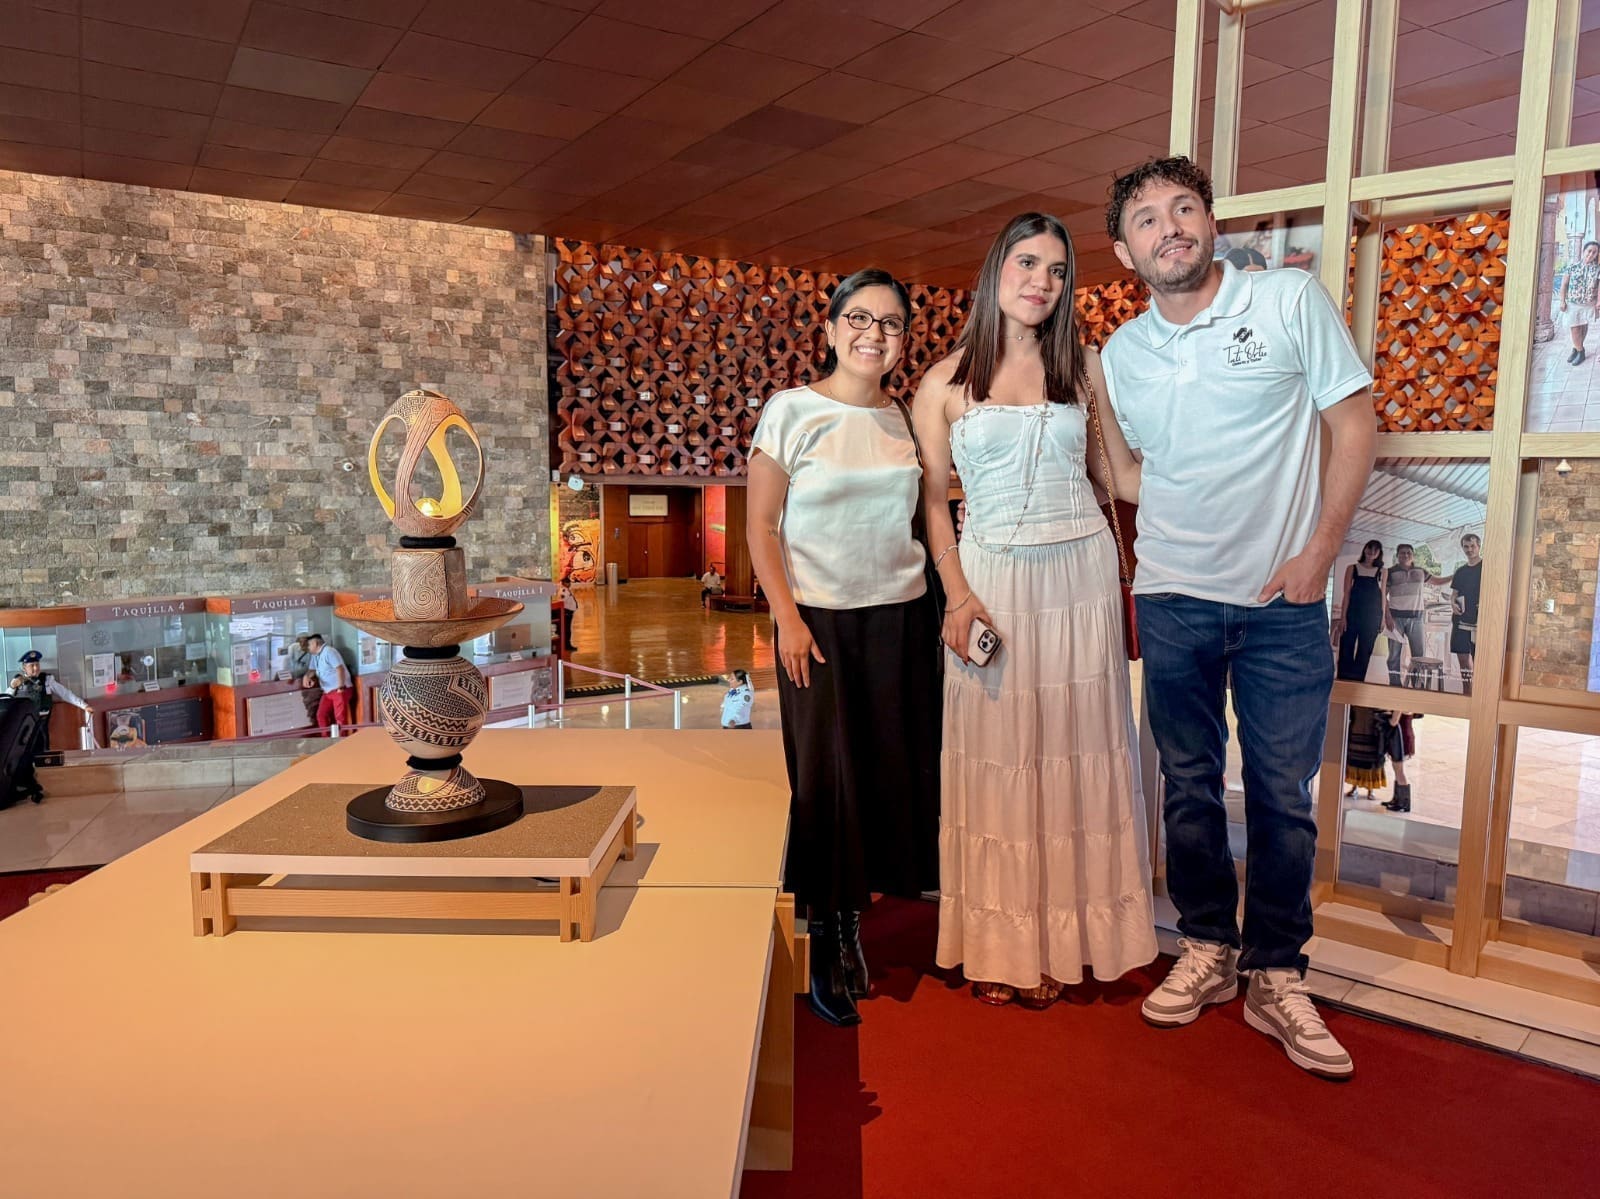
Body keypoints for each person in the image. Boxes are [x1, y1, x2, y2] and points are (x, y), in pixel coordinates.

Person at [1101, 156, 1375, 1080]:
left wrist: (1319, 555)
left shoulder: (1287, 301)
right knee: (1186, 785)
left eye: (1184, 208)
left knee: (1281, 796)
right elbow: (1133, 474)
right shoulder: (1123, 354)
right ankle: (1209, 947)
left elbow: (1355, 425)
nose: (1169, 227)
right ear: (1125, 251)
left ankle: (1277, 971)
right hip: (1171, 598)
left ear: (1210, 222)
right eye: (1147, 219)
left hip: (1279, 604)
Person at [912, 212, 1157, 1010]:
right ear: (996, 270)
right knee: (1000, 755)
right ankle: (1002, 943)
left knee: (1076, 751)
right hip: (990, 582)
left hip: (1080, 574)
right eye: (1027, 263)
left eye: (1056, 270)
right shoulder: (942, 383)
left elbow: (1120, 476)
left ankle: (1072, 939)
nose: (1040, 282)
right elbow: (933, 502)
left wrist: (1224, 477)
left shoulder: (1083, 366)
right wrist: (957, 594)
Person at [746, 267, 941, 1028]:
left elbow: (923, 518)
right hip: (818, 623)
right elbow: (761, 527)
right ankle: (825, 933)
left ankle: (855, 919)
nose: (874, 334)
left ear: (903, 339)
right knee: (827, 779)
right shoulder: (791, 410)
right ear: (830, 329)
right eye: (859, 318)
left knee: (886, 769)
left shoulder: (905, 419)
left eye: (890, 323)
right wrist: (787, 618)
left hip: (900, 616)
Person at [7, 649, 92, 755]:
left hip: (41, 724)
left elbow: (65, 693)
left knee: (43, 751)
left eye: (37, 664)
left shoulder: (47, 680)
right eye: (32, 665)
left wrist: (84, 705)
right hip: (24, 726)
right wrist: (12, 687)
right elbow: (6, 699)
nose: (36, 668)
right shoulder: (18, 681)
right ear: (24, 667)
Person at [1435, 533, 1483, 695]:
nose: (1469, 549)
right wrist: (1452, 603)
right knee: (1463, 661)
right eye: (1466, 547)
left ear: (1479, 546)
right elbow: (1454, 594)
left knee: (1480, 662)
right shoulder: (1460, 571)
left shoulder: (1487, 568)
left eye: (1472, 546)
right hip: (1461, 620)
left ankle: (1479, 695)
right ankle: (1466, 693)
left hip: (1480, 623)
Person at [1343, 707, 1413, 812]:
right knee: (1397, 769)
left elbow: (1403, 713)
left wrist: (1392, 720)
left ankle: (1403, 803)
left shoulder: (1393, 720)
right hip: (1393, 734)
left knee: (1399, 770)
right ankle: (1398, 800)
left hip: (1396, 735)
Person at [1334, 540, 1385, 682]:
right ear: (1364, 549)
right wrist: (1343, 617)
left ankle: (1357, 682)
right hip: (1352, 614)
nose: (1371, 552)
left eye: (1375, 550)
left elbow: (1383, 596)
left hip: (1372, 616)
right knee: (1346, 648)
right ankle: (1343, 682)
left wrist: (1382, 619)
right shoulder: (1352, 568)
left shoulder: (1382, 571)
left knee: (1365, 650)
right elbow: (1346, 594)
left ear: (1379, 553)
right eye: (1369, 548)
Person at [1384, 544, 1433, 687]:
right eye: (1402, 553)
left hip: (1416, 619)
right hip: (1395, 619)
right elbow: (1383, 596)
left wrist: (1456, 576)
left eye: (1408, 553)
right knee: (1393, 656)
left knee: (1419, 656)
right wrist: (1387, 616)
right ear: (1397, 555)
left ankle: (1416, 685)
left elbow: (1438, 581)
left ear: (1413, 555)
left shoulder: (1421, 571)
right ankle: (1395, 685)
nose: (1405, 555)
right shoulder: (1390, 572)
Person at [1559, 240, 1600, 366]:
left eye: (1594, 252)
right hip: (1573, 303)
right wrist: (1562, 301)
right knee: (1575, 327)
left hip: (1589, 303)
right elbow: (1564, 285)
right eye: (1589, 251)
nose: (1591, 254)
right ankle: (1581, 351)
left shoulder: (1597, 269)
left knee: (1583, 325)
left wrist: (1598, 302)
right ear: (1584, 251)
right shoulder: (1572, 266)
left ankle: (1576, 349)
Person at [300, 634, 352, 729]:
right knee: (321, 715)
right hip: (327, 691)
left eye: (309, 645)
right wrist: (306, 677)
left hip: (339, 689)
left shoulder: (329, 651)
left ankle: (341, 738)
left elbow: (340, 669)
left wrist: (340, 687)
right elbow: (312, 670)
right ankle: (325, 736)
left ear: (315, 643)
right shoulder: (315, 656)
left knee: (340, 719)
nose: (308, 648)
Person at [559, 579, 579, 653]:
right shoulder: (564, 591)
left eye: (569, 582)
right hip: (566, 613)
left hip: (568, 612)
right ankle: (567, 645)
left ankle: (567, 645)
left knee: (567, 629)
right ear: (563, 583)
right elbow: (562, 601)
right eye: (567, 582)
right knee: (567, 630)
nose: (569, 584)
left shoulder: (566, 590)